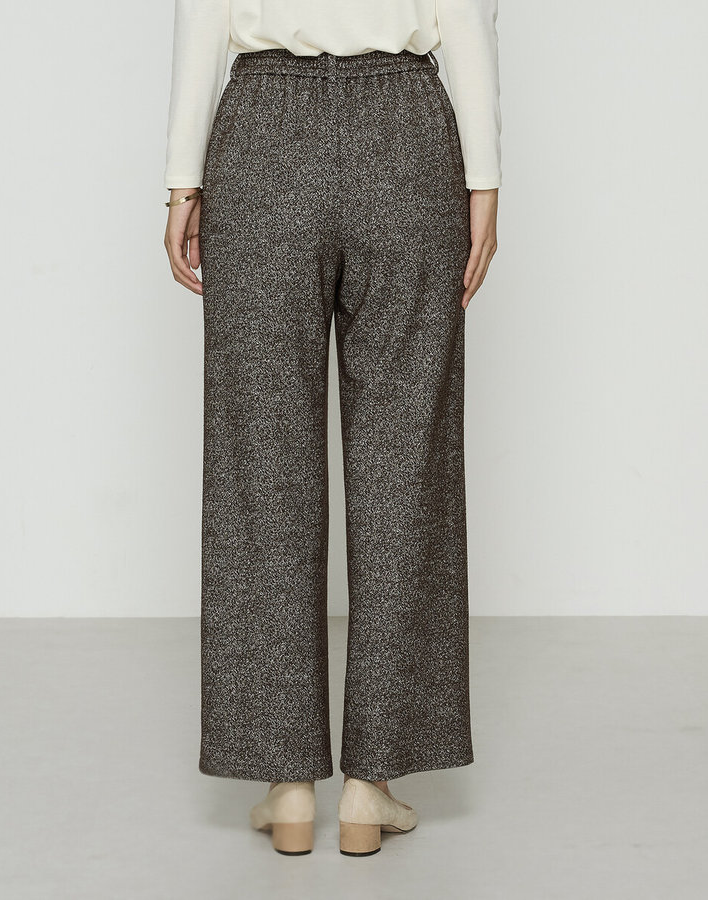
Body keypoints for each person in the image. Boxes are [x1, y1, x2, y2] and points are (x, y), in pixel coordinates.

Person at [163, 0, 500, 857]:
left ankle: (284, 781)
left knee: (259, 455)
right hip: (406, 134)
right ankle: (369, 785)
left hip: (262, 132)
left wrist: (182, 178)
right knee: (405, 452)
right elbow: (464, 14)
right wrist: (484, 176)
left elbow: (202, 14)